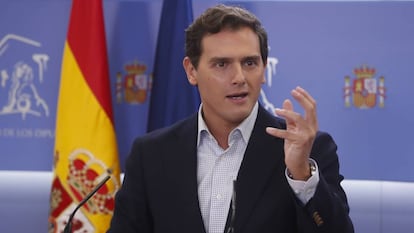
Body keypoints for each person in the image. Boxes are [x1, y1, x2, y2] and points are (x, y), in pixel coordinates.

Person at [107, 4, 354, 233]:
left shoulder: (308, 152)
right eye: (221, 64)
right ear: (191, 71)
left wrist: (301, 174)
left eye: (249, 63)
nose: (239, 77)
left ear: (264, 68)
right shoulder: (151, 154)